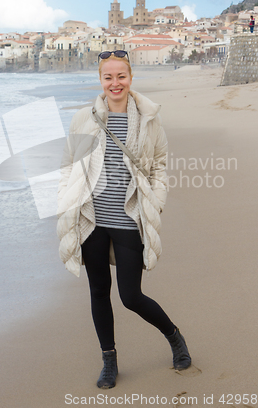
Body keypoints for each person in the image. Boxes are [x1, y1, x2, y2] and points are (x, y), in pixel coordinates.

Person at [56, 50, 191, 389]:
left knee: (131, 296)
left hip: (129, 217)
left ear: (131, 78)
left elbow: (159, 163)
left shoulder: (147, 118)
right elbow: (68, 164)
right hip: (92, 219)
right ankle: (109, 360)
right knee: (99, 290)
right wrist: (66, 202)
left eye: (121, 76)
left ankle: (174, 336)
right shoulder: (83, 119)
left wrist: (155, 203)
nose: (115, 83)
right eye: (108, 77)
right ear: (100, 81)